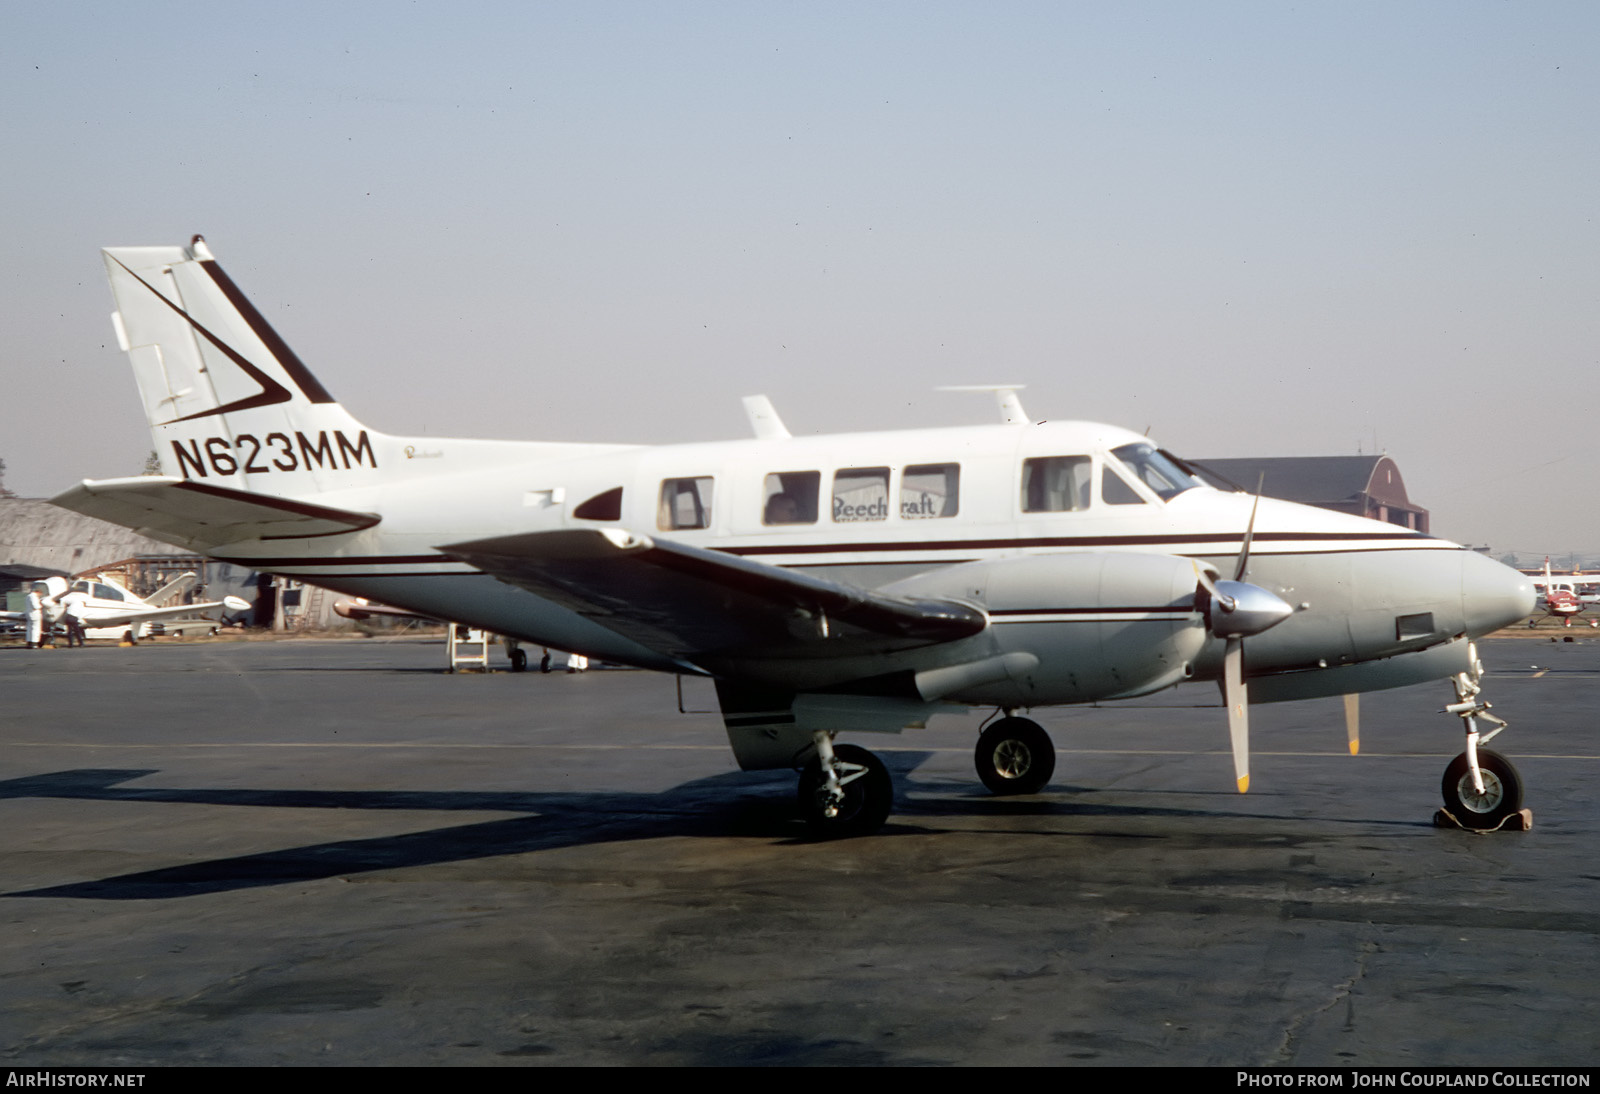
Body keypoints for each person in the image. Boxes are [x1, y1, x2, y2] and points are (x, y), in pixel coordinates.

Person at [24, 582, 47, 648]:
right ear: (39, 592)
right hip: (35, 614)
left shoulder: (28, 596)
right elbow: (36, 606)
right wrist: (41, 605)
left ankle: (29, 641)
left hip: (29, 614)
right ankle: (34, 643)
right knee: (36, 629)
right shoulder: (34, 597)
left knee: (29, 628)